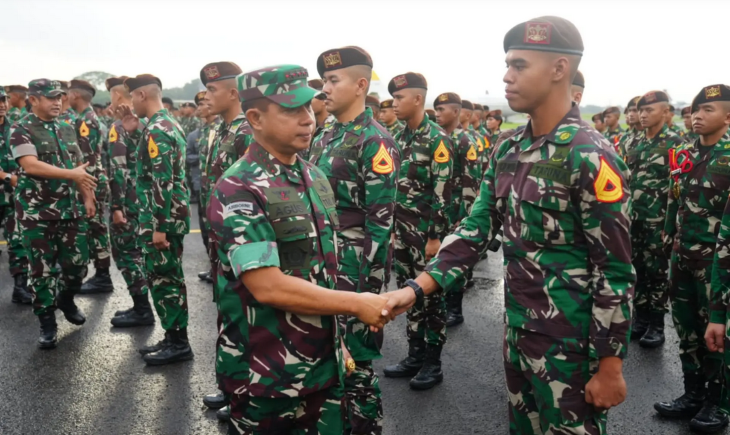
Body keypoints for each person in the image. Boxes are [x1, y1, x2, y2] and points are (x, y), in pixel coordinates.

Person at [382, 16, 634, 434]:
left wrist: (610, 365)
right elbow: (477, 226)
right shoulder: (510, 148)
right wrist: (416, 288)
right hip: (518, 332)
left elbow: (615, 270)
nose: (506, 76)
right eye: (507, 65)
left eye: (519, 65)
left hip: (571, 346)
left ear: (559, 70)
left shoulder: (590, 155)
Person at [208, 63, 392, 435]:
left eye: (309, 107)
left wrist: (338, 342)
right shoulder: (238, 188)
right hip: (267, 375)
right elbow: (268, 286)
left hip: (323, 365)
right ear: (256, 118)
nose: (308, 119)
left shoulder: (314, 177)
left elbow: (324, 270)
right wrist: (357, 304)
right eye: (292, 110)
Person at [307, 46, 399, 435]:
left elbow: (381, 225)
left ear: (361, 85)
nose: (325, 88)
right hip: (322, 267)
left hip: (353, 271)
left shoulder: (375, 142)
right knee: (324, 360)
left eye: (333, 80)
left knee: (356, 368)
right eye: (325, 80)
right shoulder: (325, 133)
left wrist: (370, 296)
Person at [658, 84, 730, 433]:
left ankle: (719, 403)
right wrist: (668, 231)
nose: (698, 116)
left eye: (709, 110)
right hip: (683, 257)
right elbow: (675, 197)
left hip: (718, 265)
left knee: (717, 334)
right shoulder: (685, 153)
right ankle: (693, 394)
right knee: (686, 329)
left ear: (728, 116)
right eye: (696, 110)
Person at [10, 79, 98, 349]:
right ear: (33, 99)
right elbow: (30, 164)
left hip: (70, 210)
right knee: (41, 271)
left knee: (78, 265)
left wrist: (88, 196)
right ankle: (47, 323)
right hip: (36, 213)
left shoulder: (67, 127)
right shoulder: (20, 128)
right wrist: (71, 174)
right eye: (50, 98)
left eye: (60, 97)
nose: (57, 102)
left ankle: (67, 298)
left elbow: (79, 166)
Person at [382, 72, 453, 391]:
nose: (394, 104)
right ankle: (414, 355)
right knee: (408, 293)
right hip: (404, 232)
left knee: (431, 298)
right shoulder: (399, 136)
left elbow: (443, 192)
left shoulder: (437, 139)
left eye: (399, 98)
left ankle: (432, 363)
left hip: (427, 236)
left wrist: (436, 237)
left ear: (418, 100)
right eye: (393, 99)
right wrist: (395, 229)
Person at [119, 74, 192, 365]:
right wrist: (135, 133)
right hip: (166, 217)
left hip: (162, 220)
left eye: (131, 98)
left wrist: (159, 228)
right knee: (165, 279)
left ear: (141, 96)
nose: (129, 104)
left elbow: (163, 181)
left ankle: (179, 343)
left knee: (166, 280)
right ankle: (173, 336)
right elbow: (156, 168)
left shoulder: (158, 130)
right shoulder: (164, 125)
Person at [626, 90, 685, 348]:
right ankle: (640, 320)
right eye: (641, 110)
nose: (643, 114)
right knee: (637, 269)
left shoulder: (676, 143)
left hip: (659, 221)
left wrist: (673, 225)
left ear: (665, 112)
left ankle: (657, 324)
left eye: (649, 110)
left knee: (657, 273)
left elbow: (680, 187)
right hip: (634, 219)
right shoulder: (634, 142)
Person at [104, 76, 154, 328]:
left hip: (127, 201)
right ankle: (141, 307)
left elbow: (118, 168)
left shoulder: (119, 126)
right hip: (140, 199)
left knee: (127, 254)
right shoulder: (142, 122)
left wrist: (116, 207)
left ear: (117, 95)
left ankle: (142, 309)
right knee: (135, 253)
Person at [433, 92, 479, 328]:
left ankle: (455, 309)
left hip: (458, 210)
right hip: (443, 209)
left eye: (442, 110)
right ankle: (440, 304)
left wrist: (465, 217)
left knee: (455, 259)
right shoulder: (439, 138)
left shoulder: (465, 141)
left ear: (456, 112)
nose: (437, 114)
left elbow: (471, 182)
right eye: (436, 110)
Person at [67, 80, 113, 295]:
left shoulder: (86, 120)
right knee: (95, 228)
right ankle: (100, 274)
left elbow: (86, 160)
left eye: (67, 93)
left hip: (91, 180)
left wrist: (88, 191)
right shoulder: (87, 117)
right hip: (91, 180)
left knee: (96, 228)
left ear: (75, 95)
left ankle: (102, 276)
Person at [0, 85, 31, 304]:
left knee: (18, 241)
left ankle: (20, 288)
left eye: (3, 100)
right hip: (8, 186)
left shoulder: (16, 129)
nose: (1, 105)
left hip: (13, 196)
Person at [193, 90, 219, 284]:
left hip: (216, 188)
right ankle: (213, 266)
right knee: (206, 230)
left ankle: (220, 268)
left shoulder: (219, 128)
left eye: (202, 104)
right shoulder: (202, 130)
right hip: (204, 187)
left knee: (217, 230)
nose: (199, 108)